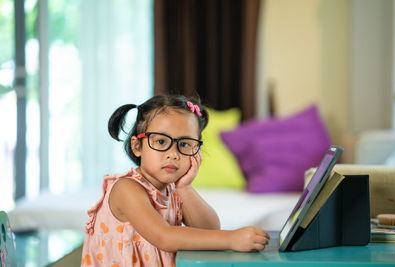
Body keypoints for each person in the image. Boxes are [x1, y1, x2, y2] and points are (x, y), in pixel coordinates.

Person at [81, 94, 270, 267]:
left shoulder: (173, 189)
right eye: (161, 141)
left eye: (185, 144)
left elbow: (208, 228)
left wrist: (184, 187)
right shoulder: (127, 188)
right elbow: (164, 236)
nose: (174, 154)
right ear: (137, 146)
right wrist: (230, 239)